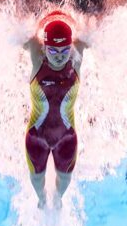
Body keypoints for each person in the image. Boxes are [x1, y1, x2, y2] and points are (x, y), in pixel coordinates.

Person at [24, 11, 87, 209]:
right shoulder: (37, 58)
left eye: (64, 51)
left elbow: (103, 27)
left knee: (65, 179)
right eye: (53, 51)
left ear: (70, 48)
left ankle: (58, 199)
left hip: (66, 139)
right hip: (36, 138)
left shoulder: (76, 59)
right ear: (45, 48)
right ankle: (42, 199)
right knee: (36, 179)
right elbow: (10, 22)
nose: (59, 57)